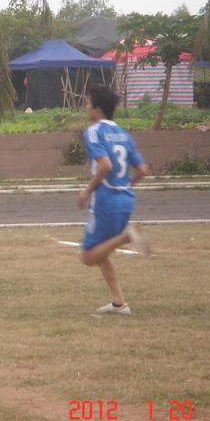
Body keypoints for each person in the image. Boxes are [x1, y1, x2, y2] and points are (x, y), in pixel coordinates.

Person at [78, 85, 149, 316]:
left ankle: (127, 237)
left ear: (97, 108)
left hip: (106, 201)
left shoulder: (93, 132)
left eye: (88, 103)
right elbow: (142, 170)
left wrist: (88, 190)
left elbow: (106, 165)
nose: (86, 107)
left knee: (88, 256)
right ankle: (119, 303)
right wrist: (125, 187)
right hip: (125, 199)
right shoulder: (123, 134)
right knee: (102, 251)